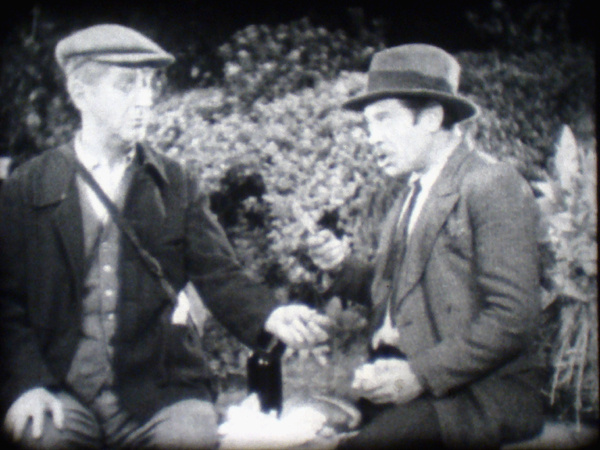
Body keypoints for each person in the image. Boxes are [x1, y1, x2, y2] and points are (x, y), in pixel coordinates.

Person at [0, 24, 330, 449]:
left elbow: (220, 274)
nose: (145, 100)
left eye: (148, 85)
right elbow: (6, 299)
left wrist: (270, 315)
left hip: (158, 391)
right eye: (126, 86)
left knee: (190, 438)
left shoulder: (175, 182)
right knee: (41, 437)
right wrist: (27, 385)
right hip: (61, 387)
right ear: (80, 93)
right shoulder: (28, 187)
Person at [308, 44, 545, 448]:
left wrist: (419, 374)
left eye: (384, 119)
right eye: (368, 124)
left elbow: (514, 317)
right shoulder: (410, 192)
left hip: (474, 397)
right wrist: (341, 266)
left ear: (433, 117)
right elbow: (400, 292)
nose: (372, 138)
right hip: (410, 389)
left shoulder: (490, 183)